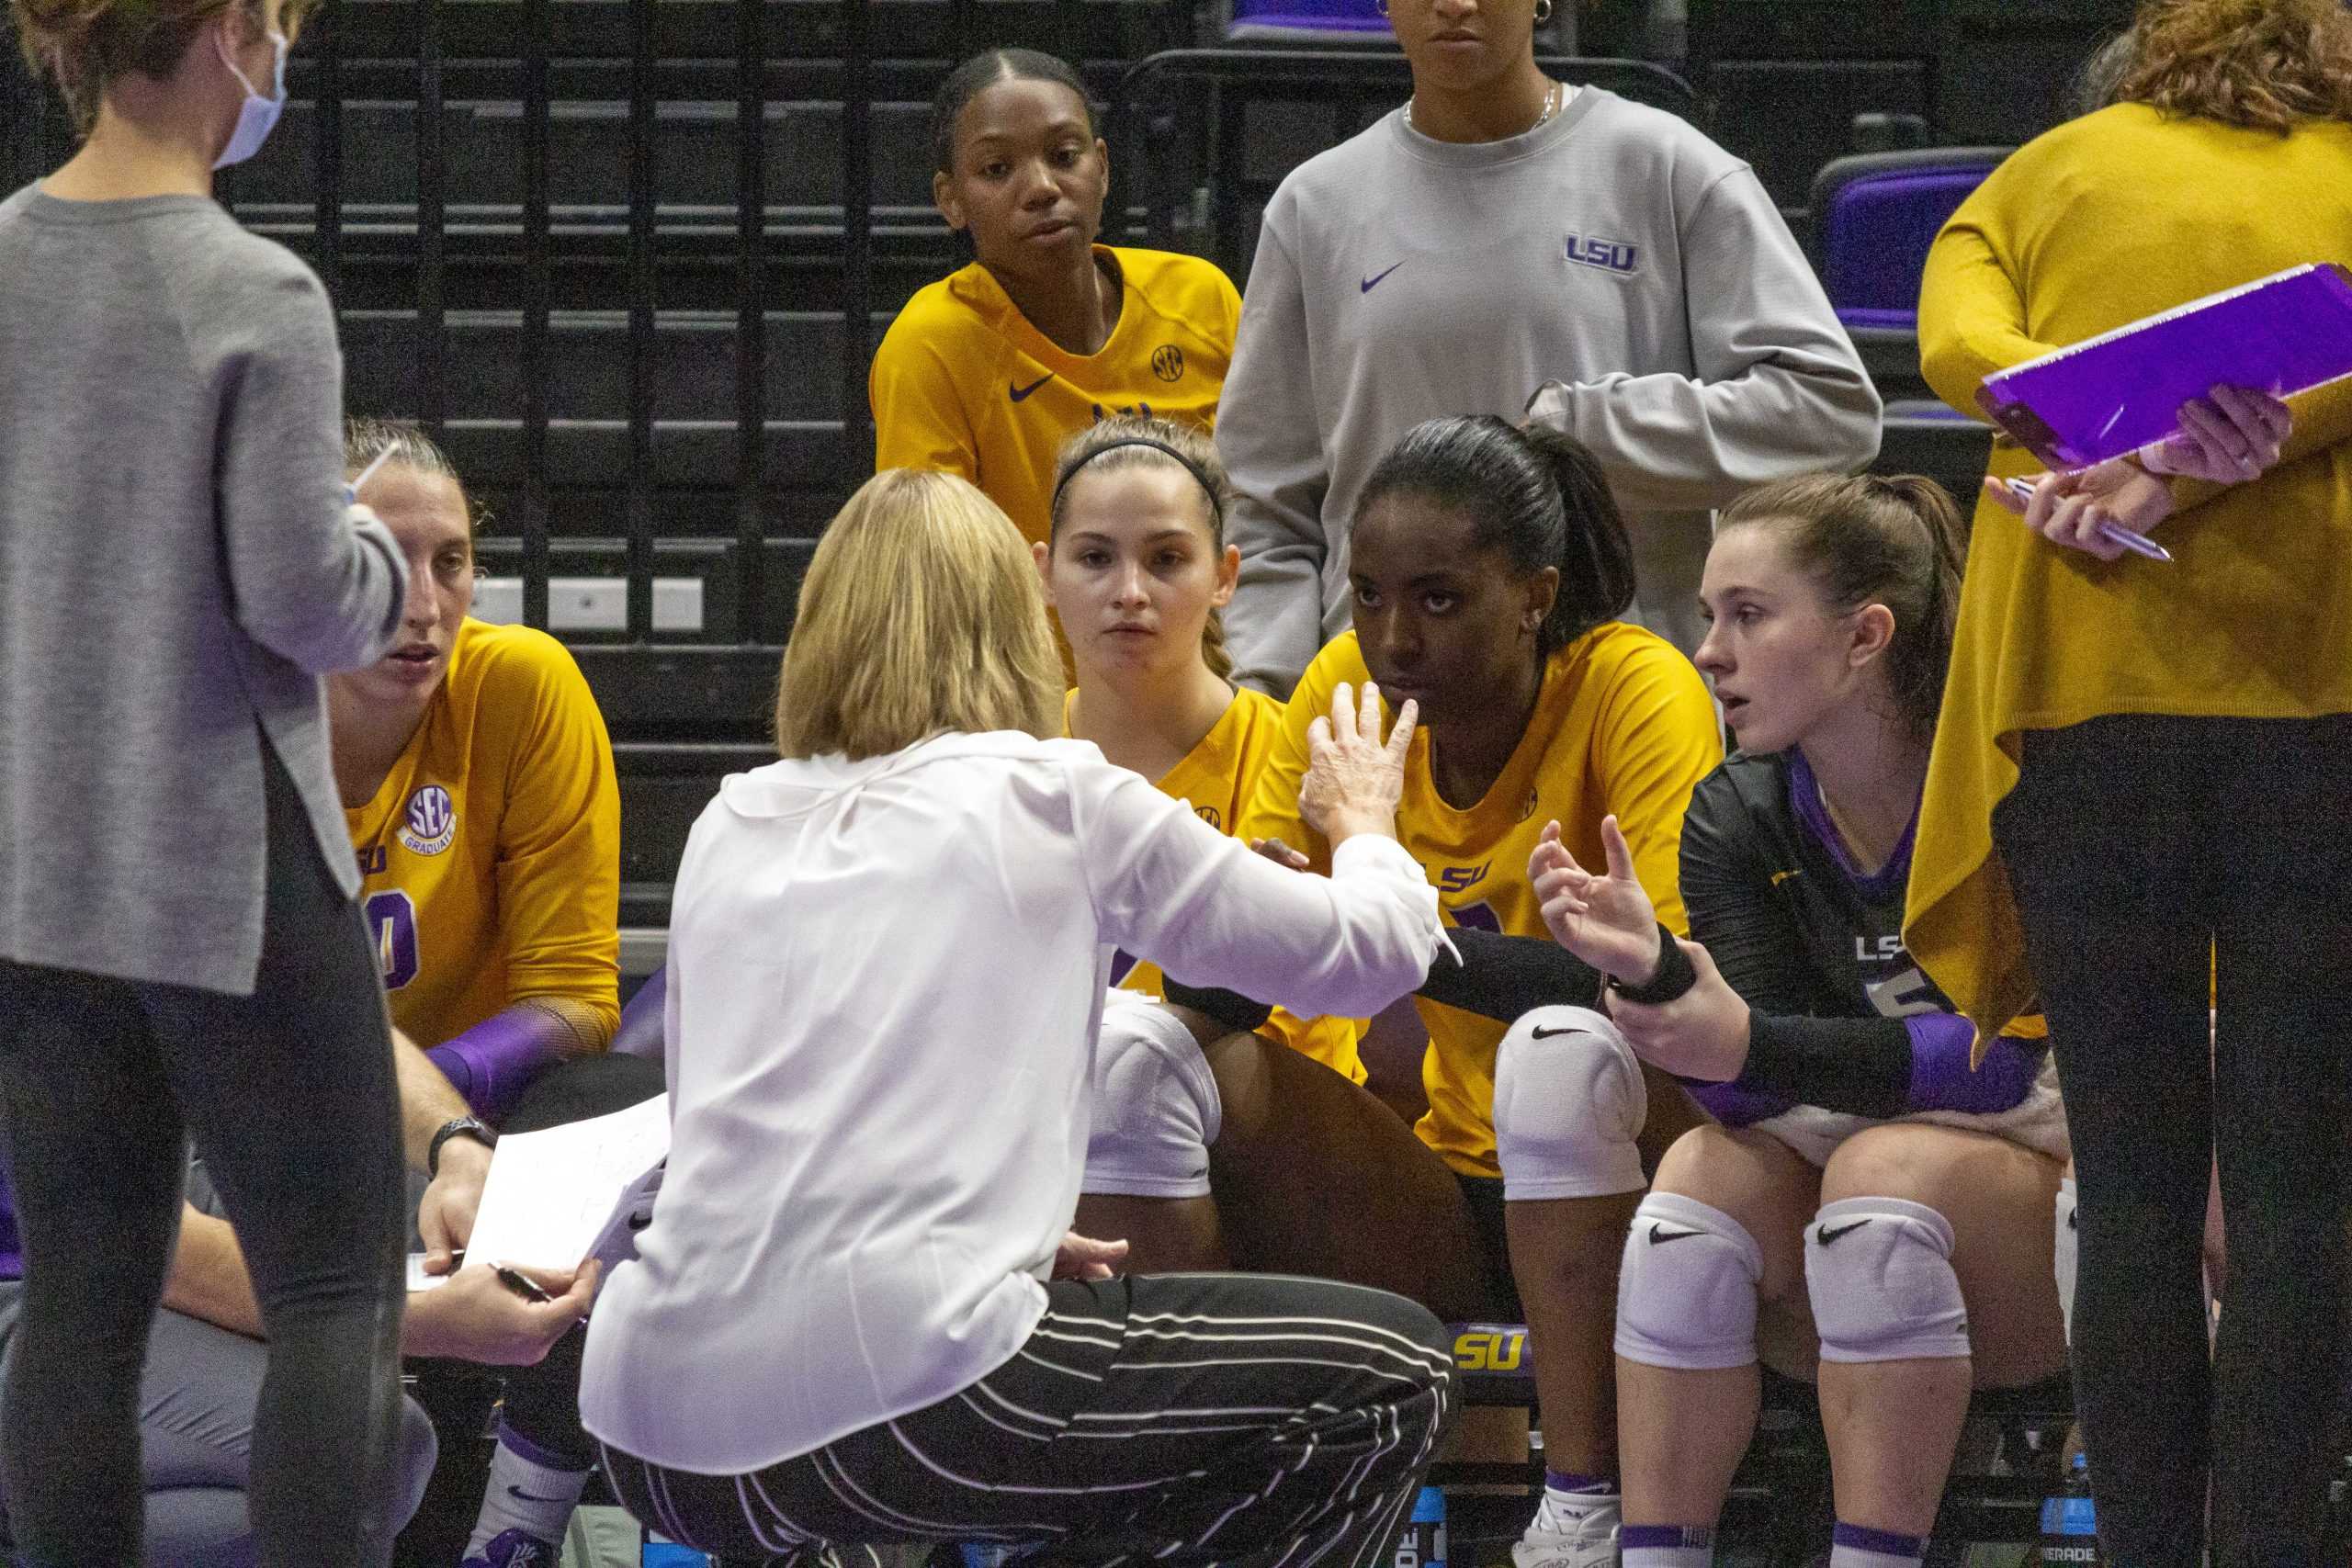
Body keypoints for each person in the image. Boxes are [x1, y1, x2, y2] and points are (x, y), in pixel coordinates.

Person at [577, 468, 1459, 1566]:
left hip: (650, 1427)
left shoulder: (731, 817)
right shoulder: (1053, 794)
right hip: (899, 1399)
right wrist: (1369, 822)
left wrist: (1013, 1225)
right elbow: (1370, 958)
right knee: (1392, 1375)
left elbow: (749, 1131)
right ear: (1016, 617)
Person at [1905, 2, 2352, 1560]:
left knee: (2138, 1180)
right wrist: (2249, 431)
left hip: (2082, 697)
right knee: (2304, 1194)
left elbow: (1959, 340)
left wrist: (2107, 427)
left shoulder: (2036, 173)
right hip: (2321, 693)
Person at [0, 0, 412, 1558]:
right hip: (226, 858)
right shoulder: (257, 291)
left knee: (80, 1303)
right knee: (333, 1291)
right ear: (240, 29)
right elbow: (305, 600)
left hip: (40, 868)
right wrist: (378, 554)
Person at [1199, 417, 1724, 1568]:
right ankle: (1189, 1499)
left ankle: (1587, 1509)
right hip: (1444, 1177)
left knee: (1558, 1049)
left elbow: (1674, 990)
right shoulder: (1347, 686)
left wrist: (1380, 930)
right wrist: (1248, 916)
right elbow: (1236, 950)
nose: (1393, 637)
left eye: (1439, 600)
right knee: (1171, 1063)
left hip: (1635, 1171)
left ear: (1534, 595)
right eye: (1369, 595)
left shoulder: (1636, 685)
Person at [1518, 475, 2069, 1568]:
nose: (1708, 650)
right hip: (1850, 1180)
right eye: (1710, 615)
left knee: (1879, 1183)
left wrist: (1743, 1042)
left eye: (1747, 615)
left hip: (2060, 1175)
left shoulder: (2018, 781)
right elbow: (1746, 1086)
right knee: (1691, 1192)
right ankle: (1642, 1551)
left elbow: (1999, 1063)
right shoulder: (1738, 807)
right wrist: (1666, 990)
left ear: (1865, 636)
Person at [1213, 0, 1879, 693]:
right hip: (1384, 710)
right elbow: (1266, 507)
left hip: (1621, 703)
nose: (1456, 4)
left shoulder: (1666, 166)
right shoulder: (1313, 207)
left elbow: (1831, 411)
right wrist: (1267, 690)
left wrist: (1590, 432)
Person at [320, 421, 627, 1568]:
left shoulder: (519, 685)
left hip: (476, 1113)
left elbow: (576, 997)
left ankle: (518, 1518)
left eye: (450, 560)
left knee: (616, 1101)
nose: (427, 600)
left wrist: (440, 1113)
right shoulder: (233, 716)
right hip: (271, 1103)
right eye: (385, 559)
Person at [871, 49, 1242, 551]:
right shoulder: (931, 345)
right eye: (997, 168)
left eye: (1065, 157)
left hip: (1205, 628)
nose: (1042, 188)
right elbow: (933, 571)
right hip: (1018, 632)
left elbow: (1264, 507)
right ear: (950, 199)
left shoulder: (1202, 298)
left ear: (1104, 168)